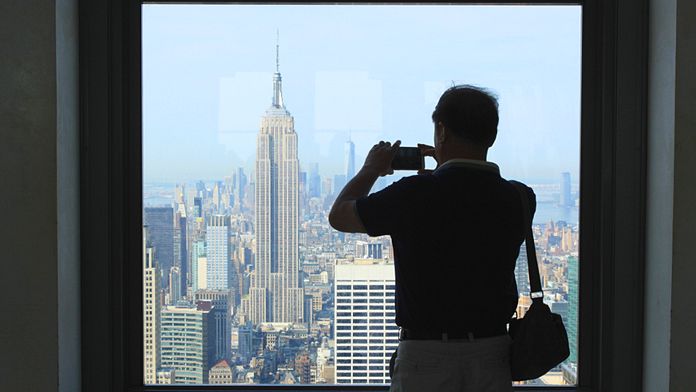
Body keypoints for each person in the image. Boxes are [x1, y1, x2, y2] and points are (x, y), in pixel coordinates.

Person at [328, 85, 535, 392]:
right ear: (491, 136)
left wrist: (372, 169)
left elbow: (339, 215)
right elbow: (468, 209)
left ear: (441, 132)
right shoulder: (520, 198)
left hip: (426, 357)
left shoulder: (414, 194)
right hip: (493, 354)